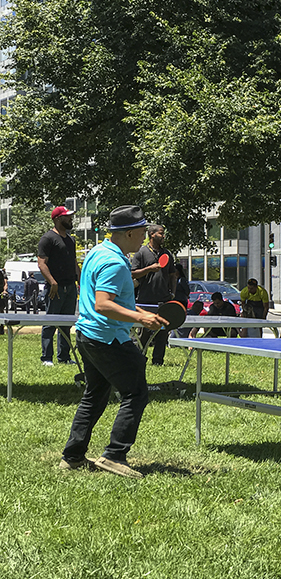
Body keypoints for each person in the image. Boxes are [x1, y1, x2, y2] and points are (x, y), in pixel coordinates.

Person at [60, 205, 168, 478]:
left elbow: (112, 301)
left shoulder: (98, 251)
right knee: (136, 393)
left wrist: (143, 313)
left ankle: (72, 456)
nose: (145, 235)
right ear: (130, 233)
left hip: (87, 335)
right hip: (107, 337)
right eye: (143, 230)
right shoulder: (115, 262)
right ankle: (114, 455)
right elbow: (104, 304)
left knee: (94, 395)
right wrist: (140, 319)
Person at [38, 206, 80, 366]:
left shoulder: (70, 239)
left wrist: (80, 281)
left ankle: (64, 357)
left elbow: (74, 262)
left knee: (66, 324)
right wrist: (52, 282)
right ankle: (46, 358)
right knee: (50, 322)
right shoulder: (47, 238)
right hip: (55, 288)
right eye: (67, 217)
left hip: (70, 287)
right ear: (57, 219)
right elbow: (41, 264)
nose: (71, 219)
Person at [131, 225, 177, 366]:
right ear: (151, 234)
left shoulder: (167, 254)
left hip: (163, 300)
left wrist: (173, 293)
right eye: (161, 233)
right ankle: (139, 359)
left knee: (162, 333)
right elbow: (132, 274)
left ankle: (158, 361)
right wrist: (149, 269)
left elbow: (172, 276)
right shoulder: (140, 252)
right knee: (144, 333)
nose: (163, 236)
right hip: (145, 300)